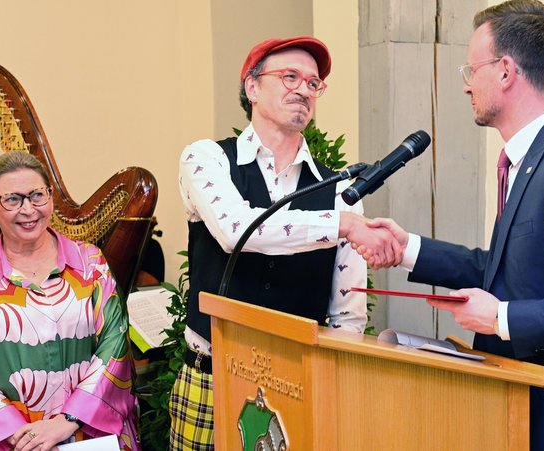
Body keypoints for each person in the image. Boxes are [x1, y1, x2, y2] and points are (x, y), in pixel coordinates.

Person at [359, 1, 544, 450]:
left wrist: (502, 318)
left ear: (505, 70)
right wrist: (408, 249)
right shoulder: (530, 161)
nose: (465, 86)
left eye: (470, 69)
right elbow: (504, 271)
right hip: (523, 404)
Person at [171, 36, 401, 450]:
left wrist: (333, 388)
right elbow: (235, 230)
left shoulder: (340, 189)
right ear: (252, 87)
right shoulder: (206, 159)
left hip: (296, 385)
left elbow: (347, 315)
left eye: (314, 83)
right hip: (209, 379)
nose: (304, 90)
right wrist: (343, 224)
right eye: (290, 76)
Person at [0, 151, 139, 450]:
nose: (28, 209)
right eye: (12, 199)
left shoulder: (91, 264)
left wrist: (68, 420)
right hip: (12, 441)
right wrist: (24, 435)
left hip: (89, 431)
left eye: (37, 196)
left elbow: (114, 342)